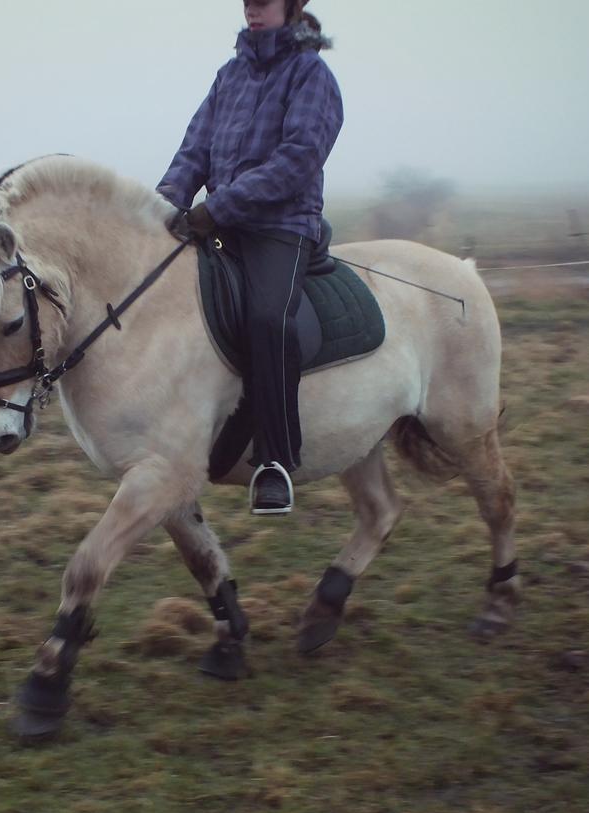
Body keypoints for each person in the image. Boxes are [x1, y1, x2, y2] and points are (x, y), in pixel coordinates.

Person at [158, 0, 343, 514]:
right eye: (247, 2)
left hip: (282, 227)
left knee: (266, 318)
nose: (252, 10)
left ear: (290, 7)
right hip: (222, 223)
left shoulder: (312, 75)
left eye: (263, 2)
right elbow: (194, 150)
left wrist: (218, 207)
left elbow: (298, 159)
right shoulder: (230, 75)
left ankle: (274, 460)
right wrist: (164, 204)